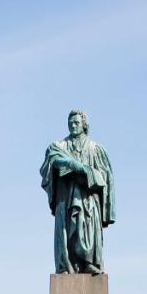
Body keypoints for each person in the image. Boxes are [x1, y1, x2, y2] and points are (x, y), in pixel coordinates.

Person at [39, 110, 115, 274]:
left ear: (84, 125)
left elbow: (104, 177)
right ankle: (67, 264)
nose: (73, 126)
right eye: (70, 123)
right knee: (67, 232)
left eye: (76, 123)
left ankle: (89, 262)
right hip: (66, 198)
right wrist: (69, 164)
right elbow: (50, 162)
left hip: (88, 199)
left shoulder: (95, 149)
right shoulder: (59, 146)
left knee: (87, 229)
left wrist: (84, 171)